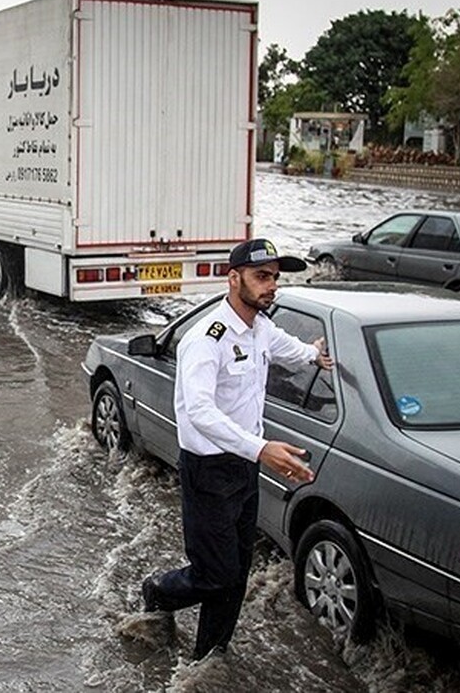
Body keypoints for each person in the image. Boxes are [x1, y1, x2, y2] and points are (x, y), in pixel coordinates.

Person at [141, 238, 334, 661]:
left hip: (245, 465)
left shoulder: (261, 326)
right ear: (233, 278)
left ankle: (210, 657)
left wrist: (315, 355)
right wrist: (262, 449)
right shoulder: (206, 339)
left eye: (275, 278)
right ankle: (158, 592)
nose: (271, 286)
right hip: (208, 470)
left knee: (237, 572)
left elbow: (290, 348)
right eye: (261, 276)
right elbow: (200, 412)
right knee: (214, 573)